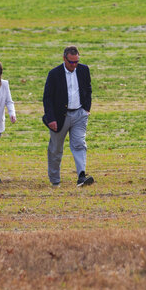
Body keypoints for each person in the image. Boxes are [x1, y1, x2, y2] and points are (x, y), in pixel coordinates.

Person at [42, 46, 95, 188]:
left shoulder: (84, 70)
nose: (74, 65)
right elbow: (47, 98)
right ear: (64, 59)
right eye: (71, 62)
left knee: (79, 144)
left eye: (76, 62)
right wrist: (51, 118)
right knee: (56, 149)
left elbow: (88, 89)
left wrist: (86, 109)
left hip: (79, 114)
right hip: (59, 117)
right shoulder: (54, 74)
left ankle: (81, 176)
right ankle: (55, 181)